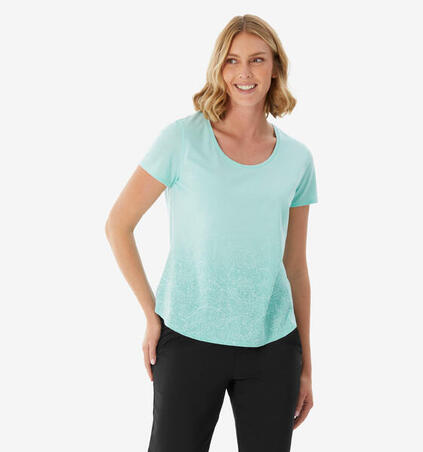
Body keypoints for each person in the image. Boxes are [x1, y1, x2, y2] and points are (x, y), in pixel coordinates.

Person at [106, 14, 318, 452]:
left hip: (273, 349)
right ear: (219, 68)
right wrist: (151, 314)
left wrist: (307, 365)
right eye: (232, 60)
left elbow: (295, 267)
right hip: (188, 339)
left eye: (257, 59)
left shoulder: (298, 160)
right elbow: (118, 225)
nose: (244, 72)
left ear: (275, 67)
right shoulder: (182, 140)